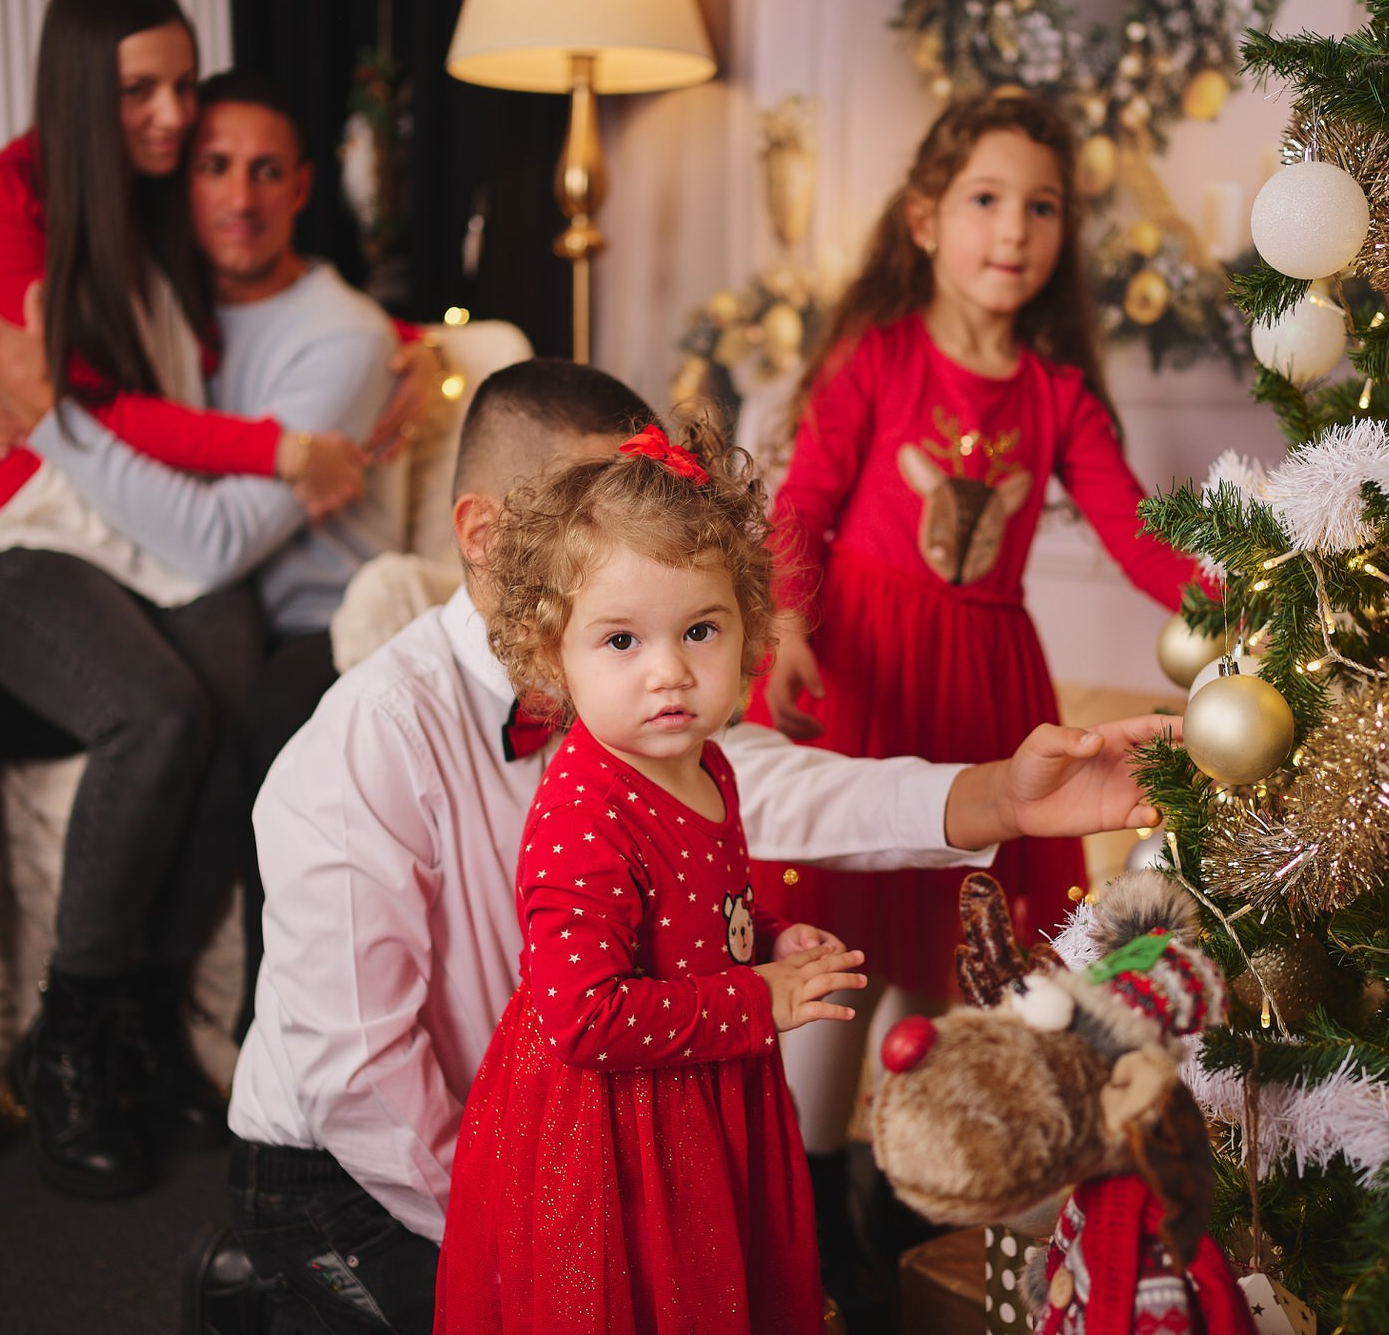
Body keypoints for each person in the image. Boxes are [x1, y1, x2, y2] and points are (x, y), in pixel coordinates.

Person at [194, 359, 1176, 1335]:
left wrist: (1005, 794)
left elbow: (799, 791)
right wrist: (532, 1236)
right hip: (364, 1168)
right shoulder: (365, 741)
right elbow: (357, 1080)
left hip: (593, 1126)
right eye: (602, 512)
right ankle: (255, 1285)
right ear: (490, 538)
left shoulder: (653, 711)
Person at [0, 65, 406, 1210]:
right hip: (146, 590)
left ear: (304, 188)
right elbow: (71, 399)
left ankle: (113, 1028)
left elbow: (206, 544)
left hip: (284, 609)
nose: (237, 196)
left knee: (210, 708)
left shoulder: (337, 337)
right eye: (213, 166)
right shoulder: (155, 295)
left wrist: (48, 415)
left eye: (264, 171)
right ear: (178, 180)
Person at [745, 91, 1207, 1294]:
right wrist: (786, 623)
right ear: (922, 219)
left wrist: (1226, 599)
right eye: (985, 201)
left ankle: (910, 1187)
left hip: (984, 684)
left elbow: (1135, 534)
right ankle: (808, 1195)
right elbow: (800, 505)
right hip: (863, 669)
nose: (1014, 230)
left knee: (945, 949)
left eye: (1040, 207)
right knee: (842, 933)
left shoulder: (1055, 392)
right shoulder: (877, 357)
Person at [435, 414, 860, 1333]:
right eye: (621, 641)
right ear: (555, 654)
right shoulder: (584, 809)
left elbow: (701, 920)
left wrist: (773, 940)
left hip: (706, 1093)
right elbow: (582, 1015)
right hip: (615, 1135)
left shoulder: (709, 763)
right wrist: (760, 1001)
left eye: (700, 629)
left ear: (750, 630)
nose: (670, 672)